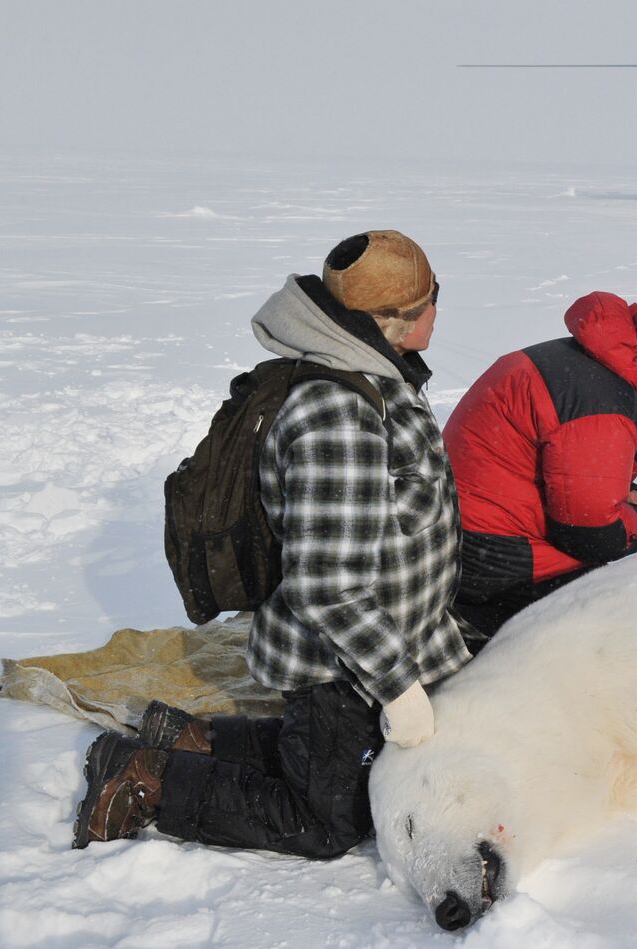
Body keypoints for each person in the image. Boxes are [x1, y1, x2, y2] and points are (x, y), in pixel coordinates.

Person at [73, 230, 476, 856]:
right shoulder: (338, 414)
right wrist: (399, 687)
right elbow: (329, 588)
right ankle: (144, 780)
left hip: (380, 648)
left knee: (344, 767)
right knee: (325, 822)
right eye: (429, 300)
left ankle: (193, 740)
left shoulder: (375, 375)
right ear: (391, 320)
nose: (436, 311)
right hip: (340, 668)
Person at [443, 290, 637, 637]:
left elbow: (567, 464)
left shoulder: (588, 358)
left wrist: (623, 494)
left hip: (456, 522)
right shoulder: (604, 405)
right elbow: (588, 534)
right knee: (611, 606)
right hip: (489, 555)